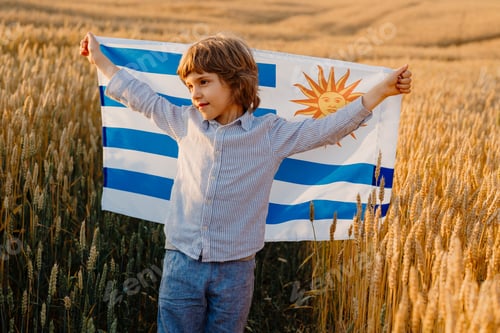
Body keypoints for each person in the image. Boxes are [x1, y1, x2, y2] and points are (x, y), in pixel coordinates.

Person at [80, 31, 412, 333]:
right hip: (181, 263)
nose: (195, 93)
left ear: (236, 82)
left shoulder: (271, 134)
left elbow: (326, 130)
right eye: (190, 86)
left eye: (204, 82)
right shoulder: (186, 123)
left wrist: (382, 90)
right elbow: (143, 99)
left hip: (235, 272)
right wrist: (100, 60)